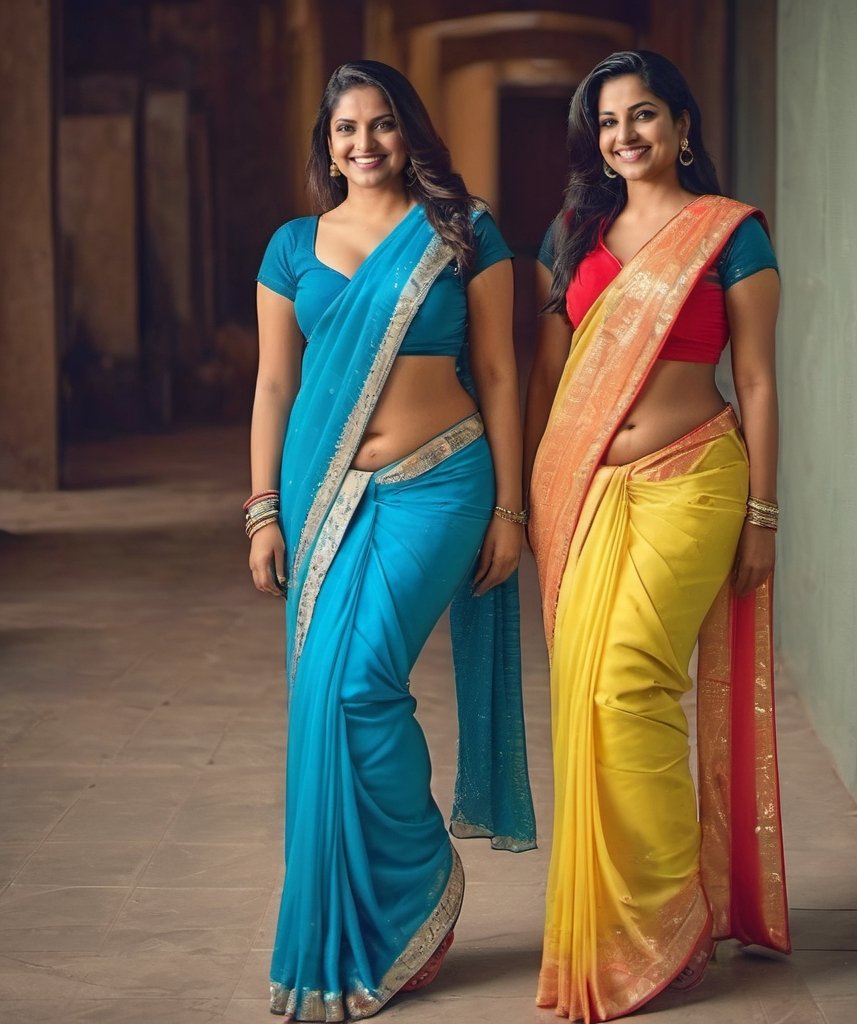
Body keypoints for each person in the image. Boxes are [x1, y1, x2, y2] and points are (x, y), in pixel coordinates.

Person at [247, 60, 536, 1022]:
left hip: (443, 483)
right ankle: (375, 922)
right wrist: (261, 508)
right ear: (325, 145)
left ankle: (417, 887)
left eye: (380, 126)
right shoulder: (292, 248)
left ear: (408, 132)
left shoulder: (463, 230)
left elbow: (498, 370)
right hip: (325, 495)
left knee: (364, 682)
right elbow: (276, 389)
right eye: (344, 131)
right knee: (325, 698)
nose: (363, 145)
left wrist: (509, 506)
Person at [524, 50, 791, 1023]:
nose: (624, 135)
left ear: (681, 127)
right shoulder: (573, 232)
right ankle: (634, 919)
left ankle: (670, 915)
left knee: (630, 676)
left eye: (643, 116)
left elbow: (757, 381)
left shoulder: (730, 237)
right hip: (590, 487)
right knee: (586, 698)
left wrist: (765, 511)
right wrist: (530, 499)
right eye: (606, 122)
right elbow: (551, 377)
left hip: (697, 477)